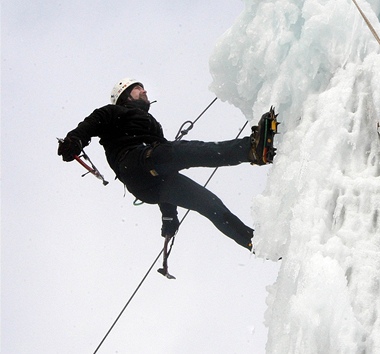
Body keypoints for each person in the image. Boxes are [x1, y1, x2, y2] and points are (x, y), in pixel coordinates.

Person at [57, 78, 270, 251]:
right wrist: (74, 141)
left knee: (209, 203)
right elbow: (90, 125)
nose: (144, 91)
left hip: (150, 182)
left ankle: (256, 243)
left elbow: (163, 165)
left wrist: (169, 216)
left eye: (143, 88)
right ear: (124, 97)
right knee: (183, 151)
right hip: (133, 163)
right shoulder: (112, 112)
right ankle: (250, 149)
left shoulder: (153, 125)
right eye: (137, 88)